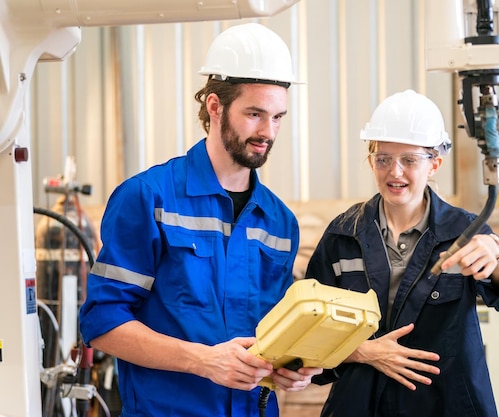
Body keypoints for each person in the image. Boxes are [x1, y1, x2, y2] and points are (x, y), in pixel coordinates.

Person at [79, 23, 322, 417]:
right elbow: (103, 323)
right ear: (214, 107)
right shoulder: (149, 197)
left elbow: (276, 330)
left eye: (278, 117)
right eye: (254, 114)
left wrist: (292, 366)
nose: (268, 132)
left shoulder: (280, 222)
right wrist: (203, 360)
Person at [305, 89, 499, 417]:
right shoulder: (343, 235)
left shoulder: (464, 231)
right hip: (361, 402)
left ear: (434, 164)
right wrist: (363, 352)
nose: (395, 173)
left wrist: (497, 252)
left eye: (409, 160)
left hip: (444, 403)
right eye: (383, 159)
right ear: (371, 161)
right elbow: (311, 333)